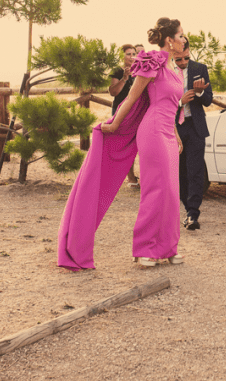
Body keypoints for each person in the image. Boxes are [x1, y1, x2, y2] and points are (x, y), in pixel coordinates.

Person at [57, 17, 186, 270]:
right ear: (169, 40)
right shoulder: (153, 60)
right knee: (155, 190)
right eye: (181, 35)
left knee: (171, 192)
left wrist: (177, 135)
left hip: (169, 135)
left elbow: (170, 105)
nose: (184, 39)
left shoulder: (175, 68)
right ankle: (145, 249)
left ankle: (167, 247)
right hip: (153, 133)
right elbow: (132, 97)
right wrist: (114, 124)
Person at [174, 38, 213, 231]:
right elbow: (159, 102)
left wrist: (198, 93)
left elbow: (208, 100)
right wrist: (180, 102)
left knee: (195, 171)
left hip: (195, 126)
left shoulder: (200, 68)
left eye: (186, 58)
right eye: (178, 59)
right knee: (179, 172)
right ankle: (186, 207)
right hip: (174, 128)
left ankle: (192, 213)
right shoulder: (165, 71)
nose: (183, 63)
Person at [108, 43, 140, 187]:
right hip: (121, 111)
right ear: (122, 56)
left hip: (137, 111)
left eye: (134, 54)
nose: (132, 57)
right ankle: (130, 177)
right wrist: (125, 78)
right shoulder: (117, 71)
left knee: (137, 143)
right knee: (124, 144)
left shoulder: (140, 70)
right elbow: (113, 92)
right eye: (128, 54)